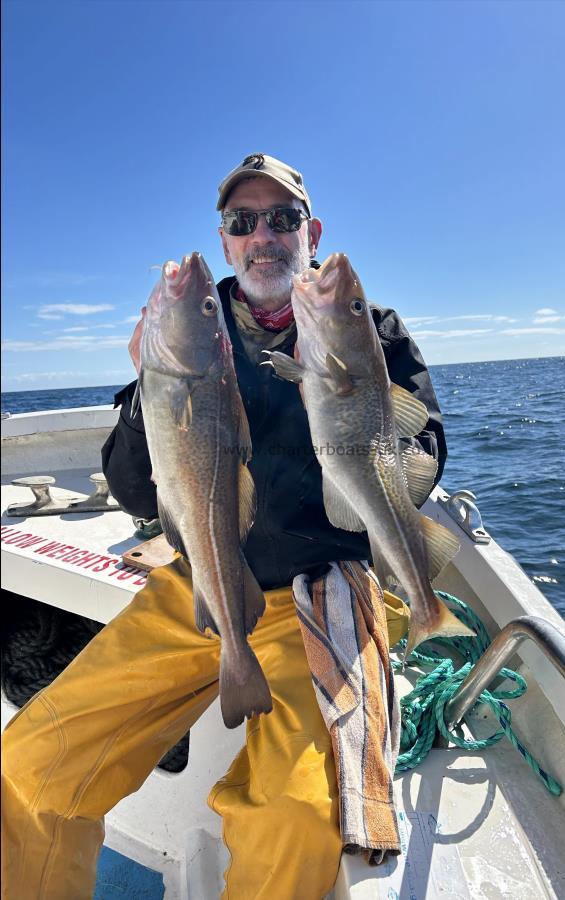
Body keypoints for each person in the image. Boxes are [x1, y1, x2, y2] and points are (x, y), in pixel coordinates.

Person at [1, 153, 447, 899]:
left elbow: (425, 455)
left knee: (296, 814)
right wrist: (150, 386)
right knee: (29, 764)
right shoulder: (197, 334)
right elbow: (133, 486)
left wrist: (347, 400)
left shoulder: (368, 331)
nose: (263, 235)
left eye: (283, 218)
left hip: (323, 589)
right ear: (225, 238)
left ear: (311, 230)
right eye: (243, 222)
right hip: (200, 581)